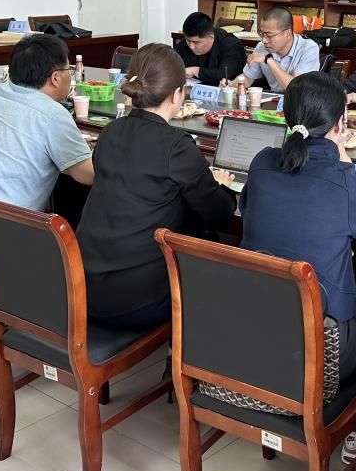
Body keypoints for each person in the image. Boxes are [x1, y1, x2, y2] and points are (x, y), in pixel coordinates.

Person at [239, 71, 356, 462]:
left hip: (252, 338)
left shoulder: (262, 163)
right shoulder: (345, 182)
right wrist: (344, 158)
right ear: (340, 125)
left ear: (285, 117)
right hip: (318, 356)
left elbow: (247, 206)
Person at [77, 44, 237, 327]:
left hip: (83, 286)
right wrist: (220, 185)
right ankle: (187, 350)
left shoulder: (111, 131)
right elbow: (218, 212)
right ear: (177, 94)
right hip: (135, 301)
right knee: (210, 254)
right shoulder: (176, 146)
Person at [0, 33, 94, 280]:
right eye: (68, 69)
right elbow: (87, 175)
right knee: (85, 262)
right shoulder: (52, 114)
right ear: (55, 77)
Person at [234, 6, 320, 94]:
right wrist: (231, 84)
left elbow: (295, 89)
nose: (264, 40)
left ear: (287, 33)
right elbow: (247, 78)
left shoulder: (309, 48)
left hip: (301, 100)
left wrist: (268, 60)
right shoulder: (262, 47)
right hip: (275, 99)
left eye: (269, 35)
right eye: (262, 34)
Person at [174, 11, 248, 84]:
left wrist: (195, 71)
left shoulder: (231, 45)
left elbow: (225, 75)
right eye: (188, 40)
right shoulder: (186, 42)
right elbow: (171, 63)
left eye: (196, 42)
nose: (191, 46)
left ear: (211, 37)